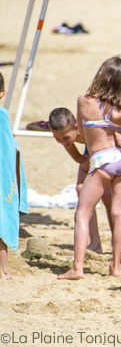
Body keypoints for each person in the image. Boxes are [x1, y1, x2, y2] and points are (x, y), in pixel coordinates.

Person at [58, 57, 121, 279]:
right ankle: (115, 267)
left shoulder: (83, 100)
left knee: (83, 213)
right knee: (119, 213)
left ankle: (77, 268)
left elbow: (80, 129)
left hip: (102, 160)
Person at [48, 107, 121, 254]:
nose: (62, 142)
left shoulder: (88, 128)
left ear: (76, 128)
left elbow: (113, 140)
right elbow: (70, 147)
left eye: (65, 138)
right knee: (80, 189)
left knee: (108, 197)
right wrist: (80, 159)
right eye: (57, 138)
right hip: (92, 149)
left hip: (111, 145)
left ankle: (116, 241)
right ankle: (95, 241)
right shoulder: (66, 136)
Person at [0, 72, 28, 280]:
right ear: (3, 93)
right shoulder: (2, 115)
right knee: (2, 218)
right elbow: (9, 150)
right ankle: (3, 270)